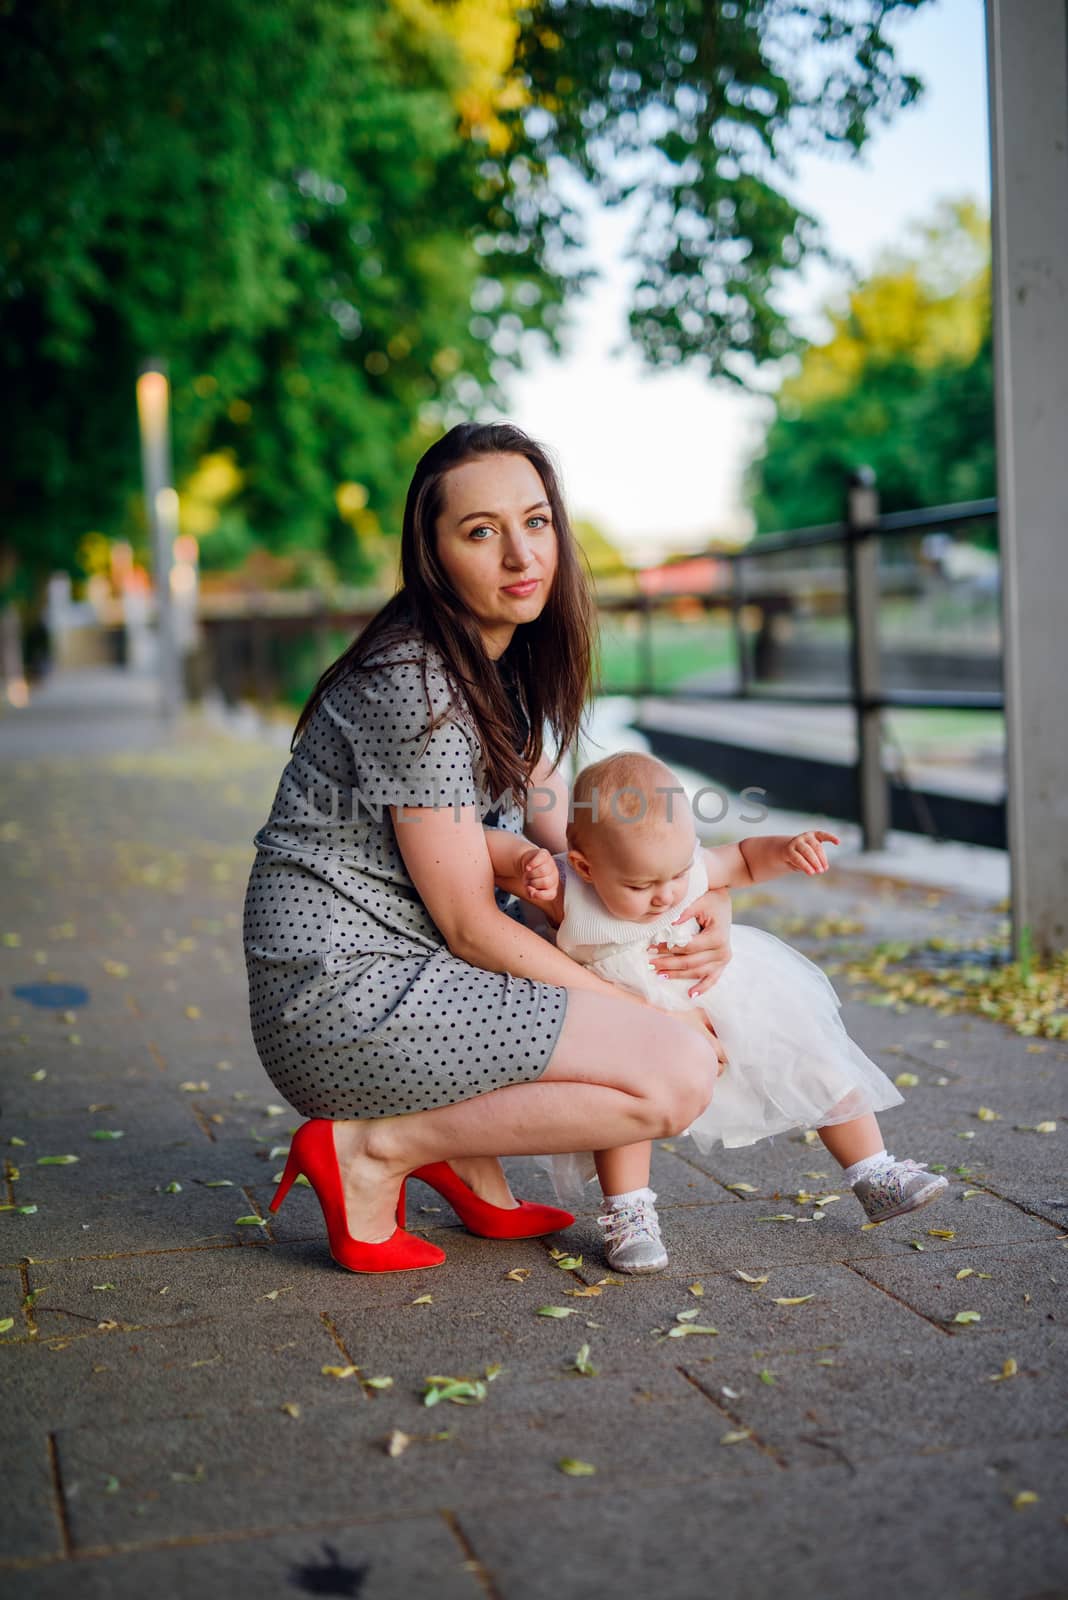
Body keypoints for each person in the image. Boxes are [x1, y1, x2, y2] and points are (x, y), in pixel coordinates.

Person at [242, 422, 731, 1274]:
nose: (519, 555)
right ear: (432, 557)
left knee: (663, 1004)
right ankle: (374, 1150)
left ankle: (460, 1155)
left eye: (535, 522)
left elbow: (580, 843)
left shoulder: (501, 663)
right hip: (345, 998)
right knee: (678, 1072)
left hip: (419, 972)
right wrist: (642, 1009)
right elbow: (472, 925)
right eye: (481, 532)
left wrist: (698, 903)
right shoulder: (416, 684)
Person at [485, 748, 948, 1273]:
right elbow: (480, 854)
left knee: (809, 1053)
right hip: (629, 1014)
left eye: (677, 876)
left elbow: (745, 859)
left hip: (724, 990)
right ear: (588, 866)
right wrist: (524, 863)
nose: (665, 897)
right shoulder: (569, 890)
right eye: (640, 887)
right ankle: (629, 1215)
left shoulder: (686, 867)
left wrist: (787, 849)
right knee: (625, 1114)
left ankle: (875, 1171)